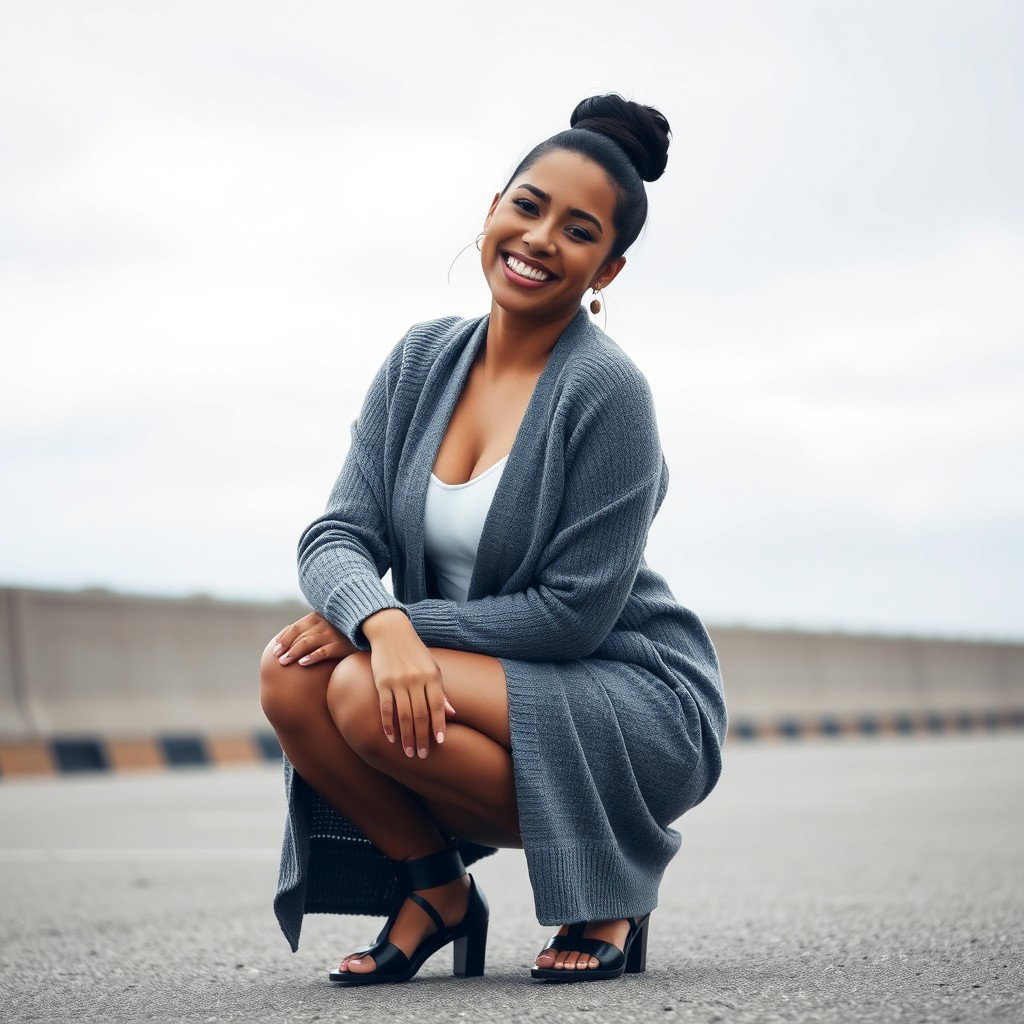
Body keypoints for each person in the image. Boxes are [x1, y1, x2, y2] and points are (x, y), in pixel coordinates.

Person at [259, 92, 728, 986]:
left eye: (580, 229)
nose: (542, 238)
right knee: (290, 675)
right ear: (491, 211)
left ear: (608, 271)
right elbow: (335, 535)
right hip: (495, 679)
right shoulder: (418, 360)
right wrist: (382, 622)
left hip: (628, 690)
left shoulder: (609, 394)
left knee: (360, 691)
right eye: (528, 205)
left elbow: (572, 618)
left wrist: (401, 627)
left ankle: (611, 886)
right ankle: (436, 891)